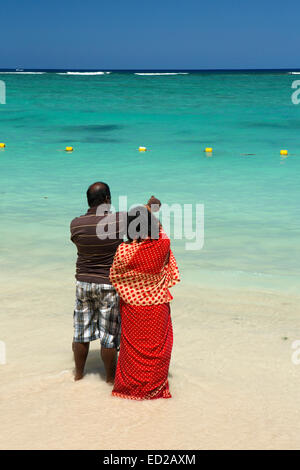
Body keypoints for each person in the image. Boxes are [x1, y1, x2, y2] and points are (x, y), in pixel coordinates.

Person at [70, 183, 157, 383]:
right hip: (109, 284)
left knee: (80, 333)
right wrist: (151, 206)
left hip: (83, 282)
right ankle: (110, 379)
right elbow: (143, 220)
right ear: (107, 198)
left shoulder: (76, 223)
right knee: (108, 336)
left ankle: (78, 375)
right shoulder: (119, 219)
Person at [110, 204, 180, 400]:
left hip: (133, 309)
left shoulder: (124, 251)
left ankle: (129, 391)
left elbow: (115, 276)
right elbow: (160, 230)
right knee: (157, 351)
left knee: (132, 350)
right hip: (157, 306)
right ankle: (155, 390)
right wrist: (150, 211)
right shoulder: (163, 244)